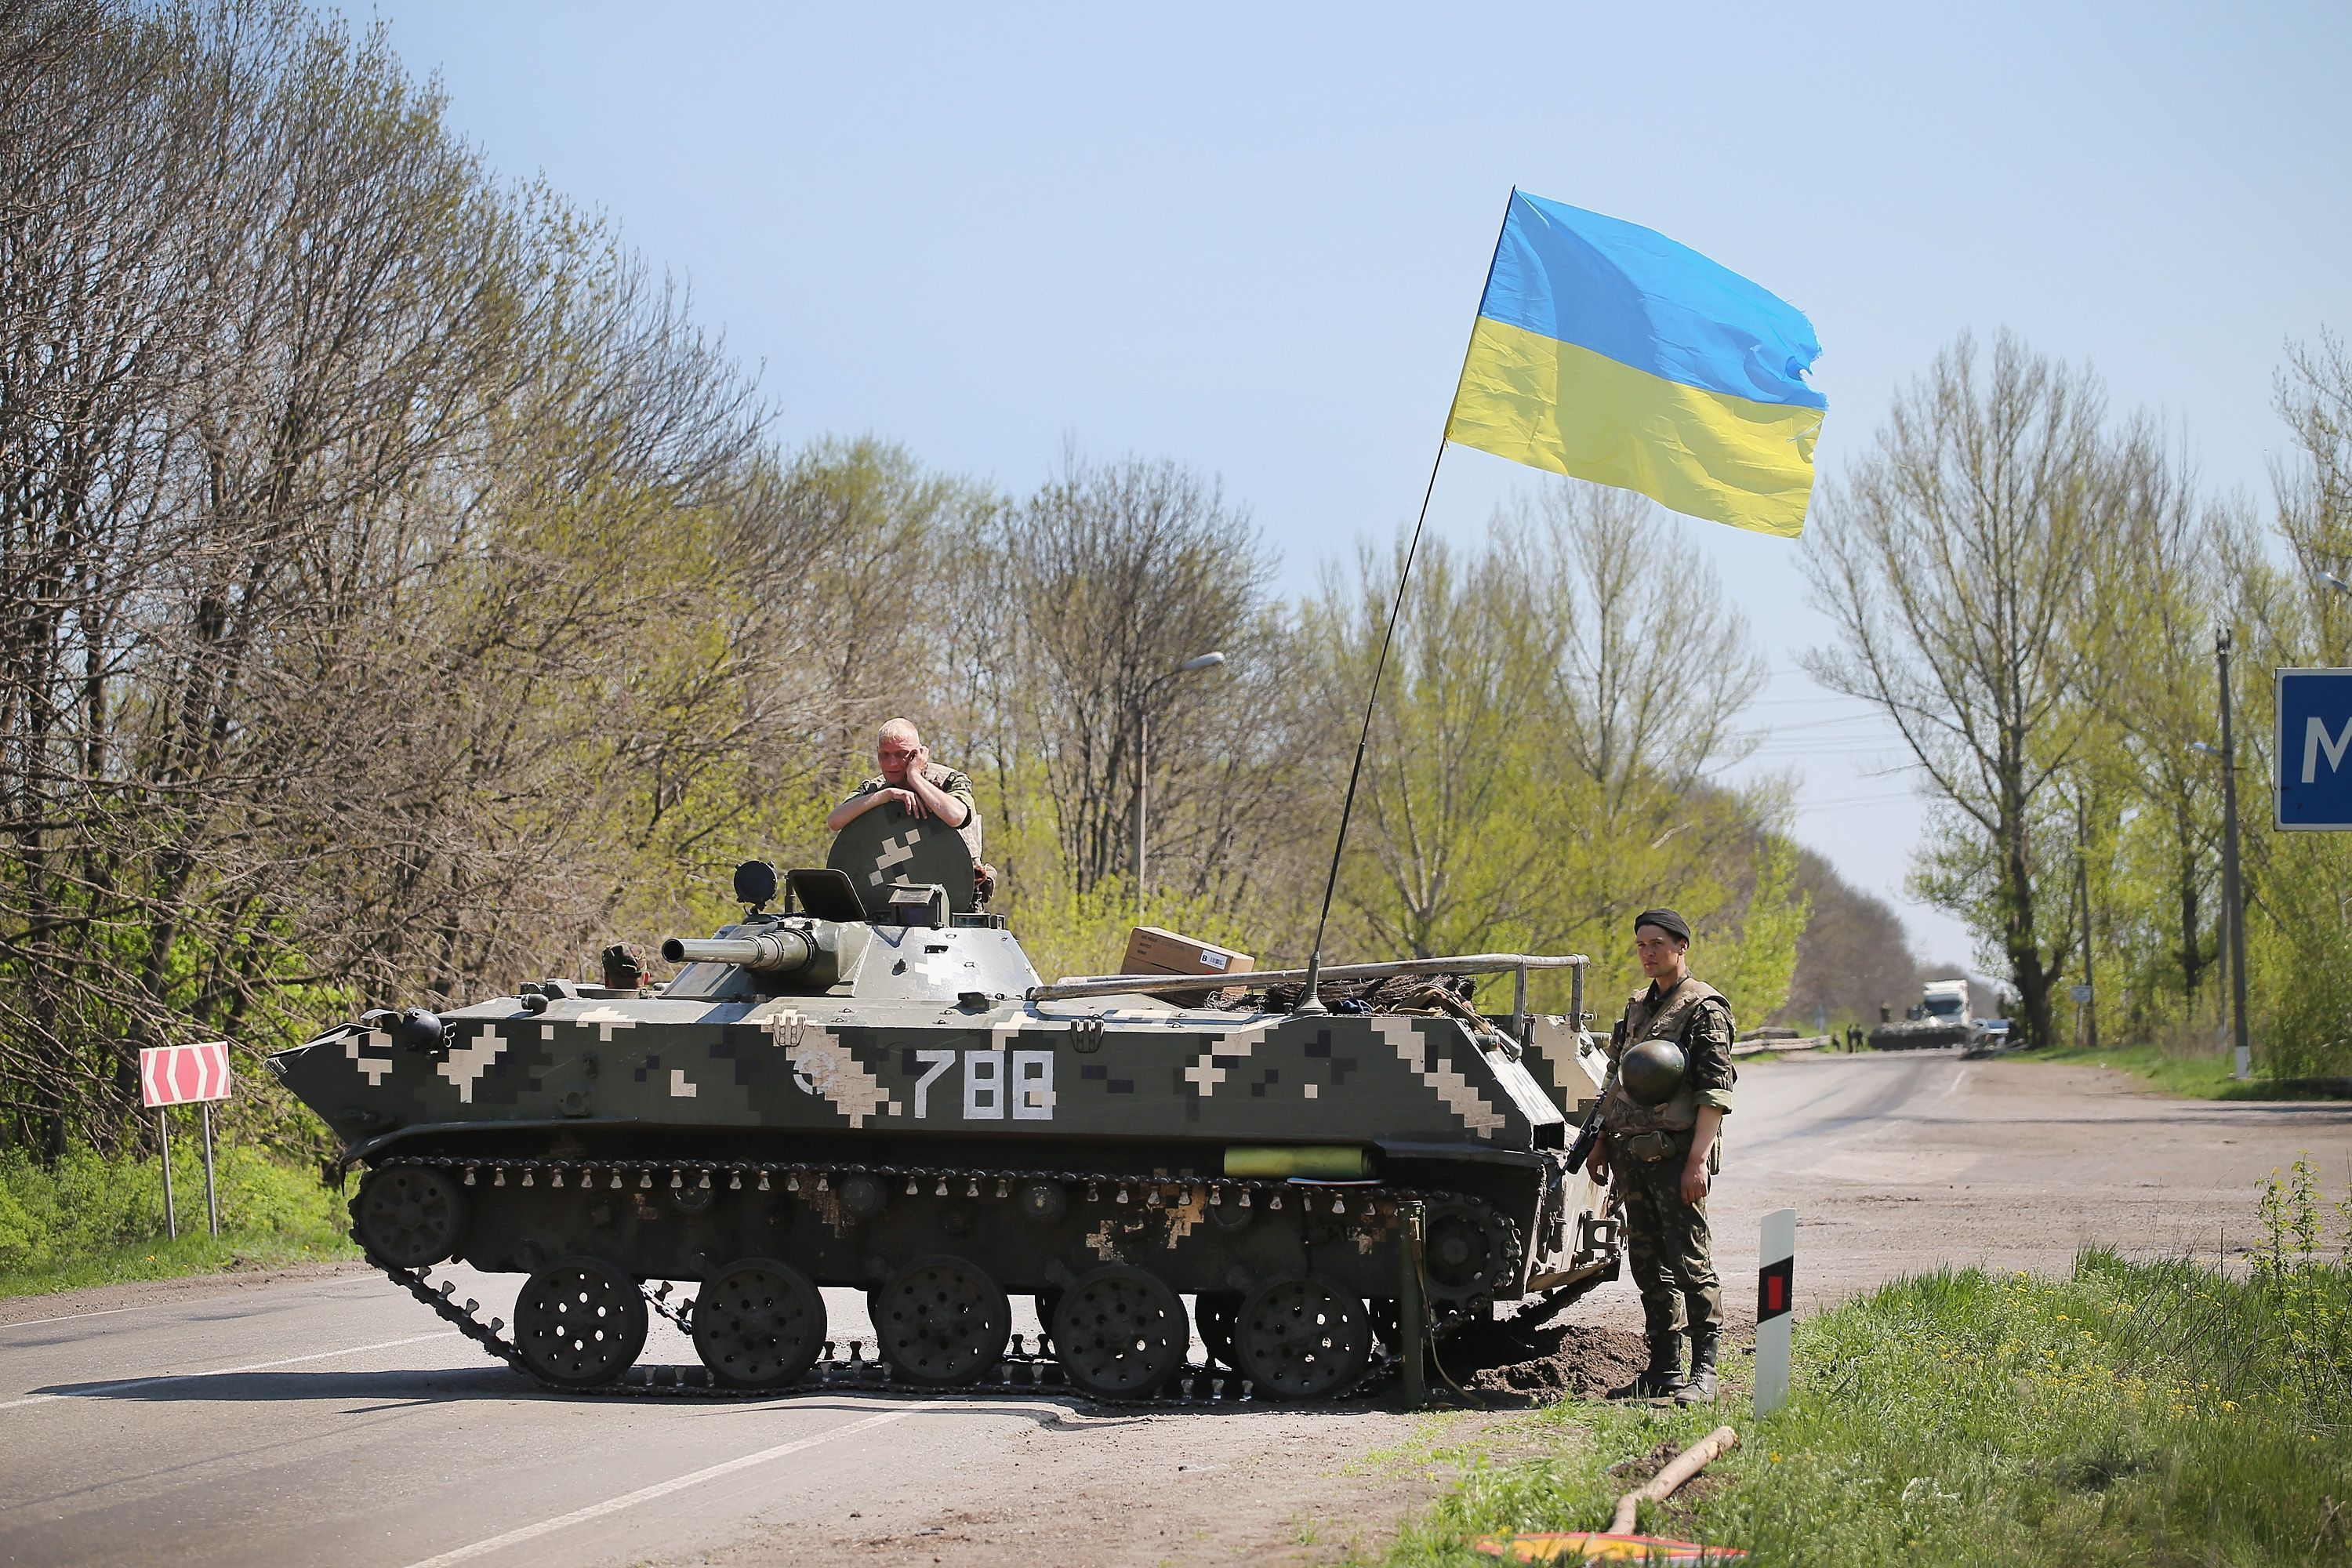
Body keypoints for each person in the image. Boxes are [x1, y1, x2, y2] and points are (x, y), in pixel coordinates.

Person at [1587, 907, 1736, 1403]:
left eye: (1656, 944)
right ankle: (1664, 1368)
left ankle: (1705, 1373)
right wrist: (1602, 1139)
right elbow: (1616, 1078)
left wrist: (1697, 1161)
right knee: (1648, 1263)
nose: (1647, 954)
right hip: (1632, 1151)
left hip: (1675, 1155)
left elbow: (1713, 1093)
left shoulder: (1704, 1009)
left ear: (1681, 947)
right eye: (1641, 946)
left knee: (1690, 1261)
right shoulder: (1636, 1007)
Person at [825, 718, 984, 868]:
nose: (891, 763)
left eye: (901, 754)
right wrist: (886, 795)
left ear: (918, 753)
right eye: (884, 754)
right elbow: (834, 821)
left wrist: (915, 776)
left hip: (951, 879)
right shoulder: (874, 789)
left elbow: (956, 816)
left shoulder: (949, 780)